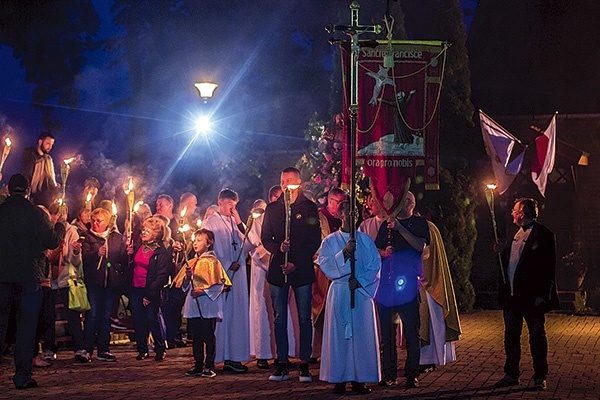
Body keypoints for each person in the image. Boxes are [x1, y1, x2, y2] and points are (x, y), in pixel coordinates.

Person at [0, 174, 65, 389]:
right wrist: (60, 227)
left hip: (2, 277)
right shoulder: (36, 214)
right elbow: (52, 241)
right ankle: (22, 376)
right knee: (26, 329)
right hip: (29, 277)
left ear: (9, 189)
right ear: (27, 190)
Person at [261, 167, 321, 383]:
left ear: (299, 182)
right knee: (279, 318)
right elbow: (266, 237)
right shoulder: (273, 208)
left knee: (304, 317)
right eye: (283, 181)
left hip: (301, 268)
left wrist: (297, 261)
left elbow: (314, 238)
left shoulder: (309, 208)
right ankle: (282, 363)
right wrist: (278, 249)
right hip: (279, 270)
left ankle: (304, 363)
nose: (286, 185)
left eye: (290, 181)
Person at [494, 197, 559, 391]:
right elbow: (511, 261)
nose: (513, 213)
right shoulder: (514, 233)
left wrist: (543, 295)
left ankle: (540, 375)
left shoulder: (544, 235)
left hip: (532, 297)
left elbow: (549, 267)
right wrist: (501, 251)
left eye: (515, 210)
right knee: (511, 336)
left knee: (537, 336)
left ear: (522, 214)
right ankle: (511, 373)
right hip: (512, 296)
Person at [317, 200, 381, 395]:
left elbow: (375, 265)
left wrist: (360, 281)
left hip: (360, 293)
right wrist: (344, 253)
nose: (352, 215)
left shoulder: (366, 240)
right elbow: (325, 264)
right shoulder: (330, 241)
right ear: (340, 214)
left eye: (355, 211)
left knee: (361, 335)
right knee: (339, 336)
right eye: (348, 211)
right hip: (341, 291)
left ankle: (360, 379)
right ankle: (339, 378)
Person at [374, 191, 429, 388]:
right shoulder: (386, 225)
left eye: (405, 200)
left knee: (412, 333)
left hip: (407, 285)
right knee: (387, 335)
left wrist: (400, 228)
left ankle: (412, 374)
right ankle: (389, 374)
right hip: (386, 286)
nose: (400, 203)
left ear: (412, 203)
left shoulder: (420, 223)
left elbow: (420, 246)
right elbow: (375, 250)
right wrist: (383, 252)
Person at [202, 188, 253, 373]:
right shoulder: (211, 222)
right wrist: (225, 265)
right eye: (229, 203)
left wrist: (239, 221)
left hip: (237, 276)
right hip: (221, 276)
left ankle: (235, 357)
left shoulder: (234, 222)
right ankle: (219, 356)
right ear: (220, 201)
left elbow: (251, 243)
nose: (232, 207)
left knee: (236, 315)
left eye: (235, 204)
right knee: (223, 317)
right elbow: (207, 249)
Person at [180, 229, 232, 378]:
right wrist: (187, 277)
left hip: (208, 305)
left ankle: (209, 365)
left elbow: (220, 285)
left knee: (208, 336)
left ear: (208, 243)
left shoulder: (213, 262)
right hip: (194, 305)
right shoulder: (191, 262)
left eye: (199, 240)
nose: (195, 243)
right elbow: (184, 286)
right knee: (195, 337)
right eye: (194, 240)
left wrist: (203, 292)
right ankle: (197, 364)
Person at [81, 207, 129, 362]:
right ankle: (87, 349)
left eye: (99, 221)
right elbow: (84, 258)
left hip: (110, 283)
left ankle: (104, 349)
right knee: (93, 315)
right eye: (93, 220)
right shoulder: (87, 237)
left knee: (106, 315)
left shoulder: (115, 237)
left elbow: (121, 260)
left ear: (107, 222)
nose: (95, 223)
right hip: (95, 282)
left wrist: (128, 252)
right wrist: (96, 254)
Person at [40, 202, 85, 363]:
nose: (58, 217)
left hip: (66, 278)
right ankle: (49, 348)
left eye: (62, 214)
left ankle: (80, 347)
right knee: (48, 316)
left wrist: (75, 251)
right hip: (49, 279)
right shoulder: (46, 230)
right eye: (56, 214)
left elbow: (75, 261)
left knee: (72, 314)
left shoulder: (71, 231)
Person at [127, 216, 173, 361]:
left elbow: (161, 275)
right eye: (143, 229)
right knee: (138, 319)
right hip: (136, 287)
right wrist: (128, 254)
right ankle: (142, 349)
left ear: (156, 233)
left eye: (147, 230)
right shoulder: (140, 246)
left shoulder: (161, 252)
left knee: (152, 319)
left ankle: (160, 348)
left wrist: (149, 294)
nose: (143, 233)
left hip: (150, 290)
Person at [418, 220, 462, 372]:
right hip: (416, 284)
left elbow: (427, 256)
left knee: (430, 320)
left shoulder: (427, 227)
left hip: (428, 283)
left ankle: (428, 359)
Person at [310, 187, 347, 364]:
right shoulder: (319, 218)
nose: (340, 207)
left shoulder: (347, 220)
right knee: (320, 311)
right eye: (338, 203)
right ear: (330, 201)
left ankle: (338, 348)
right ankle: (317, 351)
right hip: (321, 271)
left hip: (342, 272)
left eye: (343, 203)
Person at [20, 132, 59, 208]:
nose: (50, 147)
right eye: (48, 143)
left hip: (45, 198)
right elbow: (26, 175)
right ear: (40, 142)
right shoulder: (30, 155)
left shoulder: (48, 159)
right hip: (33, 198)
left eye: (51, 145)